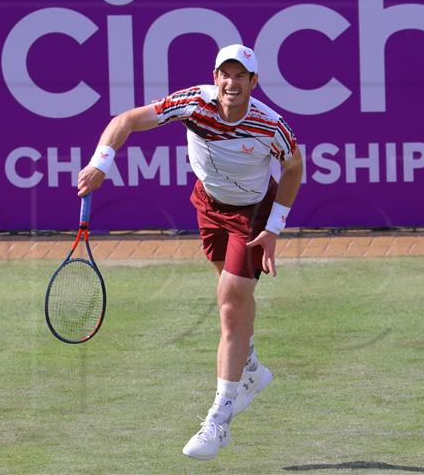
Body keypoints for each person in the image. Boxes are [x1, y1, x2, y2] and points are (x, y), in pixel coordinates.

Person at [77, 44, 303, 461]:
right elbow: (125, 121)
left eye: (241, 76)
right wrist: (101, 163)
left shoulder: (269, 125)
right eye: (225, 74)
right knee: (231, 294)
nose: (231, 83)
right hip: (208, 205)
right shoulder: (193, 104)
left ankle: (219, 417)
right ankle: (251, 368)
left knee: (230, 304)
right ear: (215, 77)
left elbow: (293, 167)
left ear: (254, 82)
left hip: (253, 213)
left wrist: (274, 228)